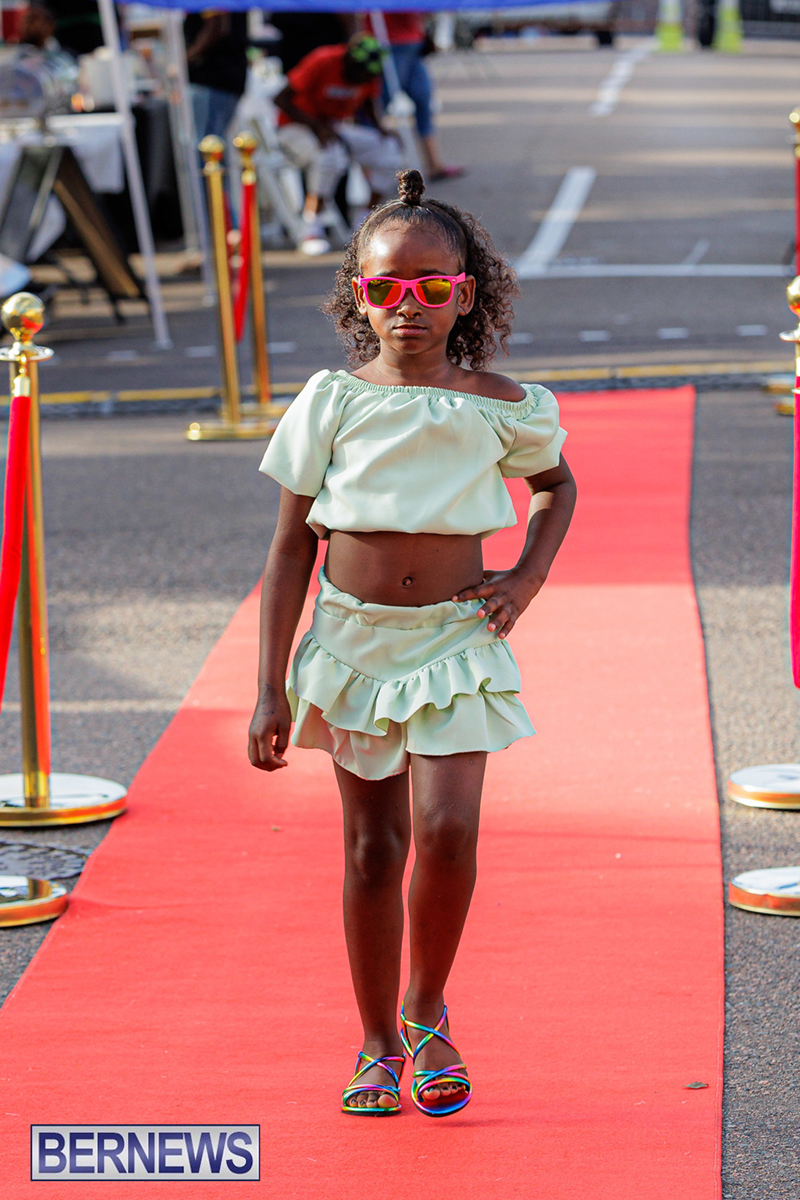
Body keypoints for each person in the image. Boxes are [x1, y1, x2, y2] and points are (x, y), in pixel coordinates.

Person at [249, 169, 576, 1116]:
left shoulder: (501, 403)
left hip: (454, 645)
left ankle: (427, 1008)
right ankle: (376, 1041)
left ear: (465, 295)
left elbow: (556, 486)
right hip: (351, 647)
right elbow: (289, 549)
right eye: (387, 287)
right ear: (360, 295)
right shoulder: (332, 401)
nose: (409, 305)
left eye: (433, 287)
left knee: (448, 829)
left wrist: (525, 578)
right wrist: (269, 688)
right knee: (371, 848)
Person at [273, 33, 403, 256]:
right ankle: (311, 227)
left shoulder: (370, 70)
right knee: (329, 155)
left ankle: (363, 221)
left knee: (388, 150)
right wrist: (316, 127)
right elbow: (281, 99)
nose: (362, 79)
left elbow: (368, 101)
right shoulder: (322, 60)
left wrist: (380, 128)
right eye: (360, 74)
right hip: (294, 128)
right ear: (349, 60)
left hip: (334, 127)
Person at [364, 12, 464, 182]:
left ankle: (434, 164)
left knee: (424, 100)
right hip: (389, 42)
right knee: (378, 106)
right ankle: (368, 173)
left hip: (413, 43)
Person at [184, 10, 249, 142]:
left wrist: (186, 58)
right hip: (222, 77)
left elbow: (216, 26)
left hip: (213, 77)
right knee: (214, 138)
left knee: (208, 141)